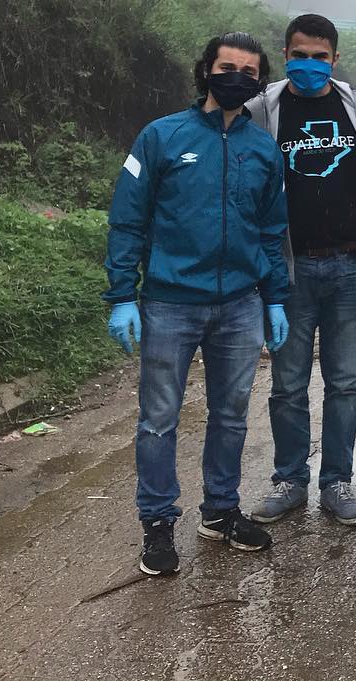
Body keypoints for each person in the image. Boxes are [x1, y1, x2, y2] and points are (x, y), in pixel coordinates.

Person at [104, 32, 290, 577]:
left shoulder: (263, 150)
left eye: (250, 71)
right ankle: (157, 523)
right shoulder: (161, 137)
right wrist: (121, 296)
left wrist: (274, 299)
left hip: (239, 304)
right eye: (227, 66)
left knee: (230, 417)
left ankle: (221, 510)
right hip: (168, 302)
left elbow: (271, 230)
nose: (238, 77)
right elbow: (127, 219)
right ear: (205, 70)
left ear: (258, 83)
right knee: (159, 419)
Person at [243, 14, 356, 527]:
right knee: (287, 383)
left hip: (352, 265)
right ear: (285, 55)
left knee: (345, 382)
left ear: (335, 58)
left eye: (320, 56)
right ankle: (288, 479)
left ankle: (337, 482)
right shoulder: (264, 108)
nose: (309, 64)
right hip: (291, 270)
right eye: (299, 54)